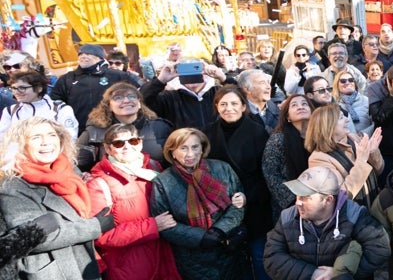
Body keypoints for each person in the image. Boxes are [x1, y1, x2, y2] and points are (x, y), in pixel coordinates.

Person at [0, 117, 113, 279]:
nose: (46, 142)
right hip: (55, 270)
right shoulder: (13, 184)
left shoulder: (70, 170)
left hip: (85, 260)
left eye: (52, 135)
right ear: (21, 145)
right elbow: (36, 238)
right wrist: (94, 227)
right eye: (36, 137)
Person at [150, 128, 247, 280]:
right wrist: (200, 237)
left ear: (202, 148)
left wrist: (219, 230)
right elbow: (165, 225)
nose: (190, 154)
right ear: (172, 152)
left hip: (228, 249)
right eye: (183, 148)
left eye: (195, 147)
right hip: (191, 257)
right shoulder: (162, 182)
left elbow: (238, 204)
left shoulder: (222, 168)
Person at [86, 124, 180, 280]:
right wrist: (152, 227)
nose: (127, 147)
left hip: (164, 257)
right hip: (129, 267)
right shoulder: (98, 183)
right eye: (118, 143)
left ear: (141, 143)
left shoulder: (154, 168)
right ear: (108, 149)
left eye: (133, 141)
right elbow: (101, 235)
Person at [263, 166, 390, 280]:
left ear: (328, 200)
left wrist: (339, 274)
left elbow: (380, 248)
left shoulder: (354, 215)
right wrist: (313, 274)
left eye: (305, 197)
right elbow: (271, 257)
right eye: (297, 195)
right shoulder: (287, 217)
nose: (297, 202)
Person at [203, 86, 273, 280]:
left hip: (254, 206)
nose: (229, 108)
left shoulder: (258, 132)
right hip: (220, 206)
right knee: (229, 259)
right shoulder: (207, 132)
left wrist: (247, 195)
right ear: (216, 107)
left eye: (234, 103)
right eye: (223, 104)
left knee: (259, 256)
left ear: (243, 106)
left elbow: (266, 174)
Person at [77, 81, 173, 172]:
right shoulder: (94, 133)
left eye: (132, 96)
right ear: (109, 106)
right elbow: (76, 164)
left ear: (139, 103)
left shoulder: (161, 128)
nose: (126, 100)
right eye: (118, 98)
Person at [306, 105, 384, 206]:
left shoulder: (354, 138)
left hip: (374, 202)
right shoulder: (318, 159)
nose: (347, 120)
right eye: (341, 117)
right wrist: (361, 162)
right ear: (328, 125)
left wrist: (373, 153)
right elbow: (342, 194)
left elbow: (379, 170)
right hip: (354, 215)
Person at [51, 44, 138, 131]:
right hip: (78, 130)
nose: (83, 56)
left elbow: (137, 95)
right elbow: (55, 101)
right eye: (80, 54)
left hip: (112, 129)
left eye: (88, 54)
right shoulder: (67, 78)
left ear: (99, 58)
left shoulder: (117, 75)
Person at [262, 95, 314, 218]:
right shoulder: (278, 139)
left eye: (304, 104)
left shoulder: (319, 136)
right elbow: (271, 174)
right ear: (288, 117)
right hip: (291, 204)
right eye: (294, 105)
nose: (300, 107)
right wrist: (295, 200)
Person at [142, 60, 226, 130]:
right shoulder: (170, 98)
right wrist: (160, 80)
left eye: (196, 68)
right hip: (185, 147)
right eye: (186, 70)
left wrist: (223, 78)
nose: (191, 74)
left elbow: (238, 95)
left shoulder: (219, 93)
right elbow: (142, 101)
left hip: (218, 147)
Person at [0, 70, 77, 137]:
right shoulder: (10, 111)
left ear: (39, 88)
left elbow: (70, 139)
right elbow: (2, 140)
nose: (16, 92)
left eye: (22, 88)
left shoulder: (60, 109)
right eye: (14, 88)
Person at [334, 71, 373, 135]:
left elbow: (375, 122)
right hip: (346, 142)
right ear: (337, 85)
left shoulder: (366, 100)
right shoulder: (335, 105)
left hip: (368, 140)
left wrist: (363, 135)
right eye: (343, 81)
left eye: (351, 80)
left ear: (355, 83)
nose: (347, 83)